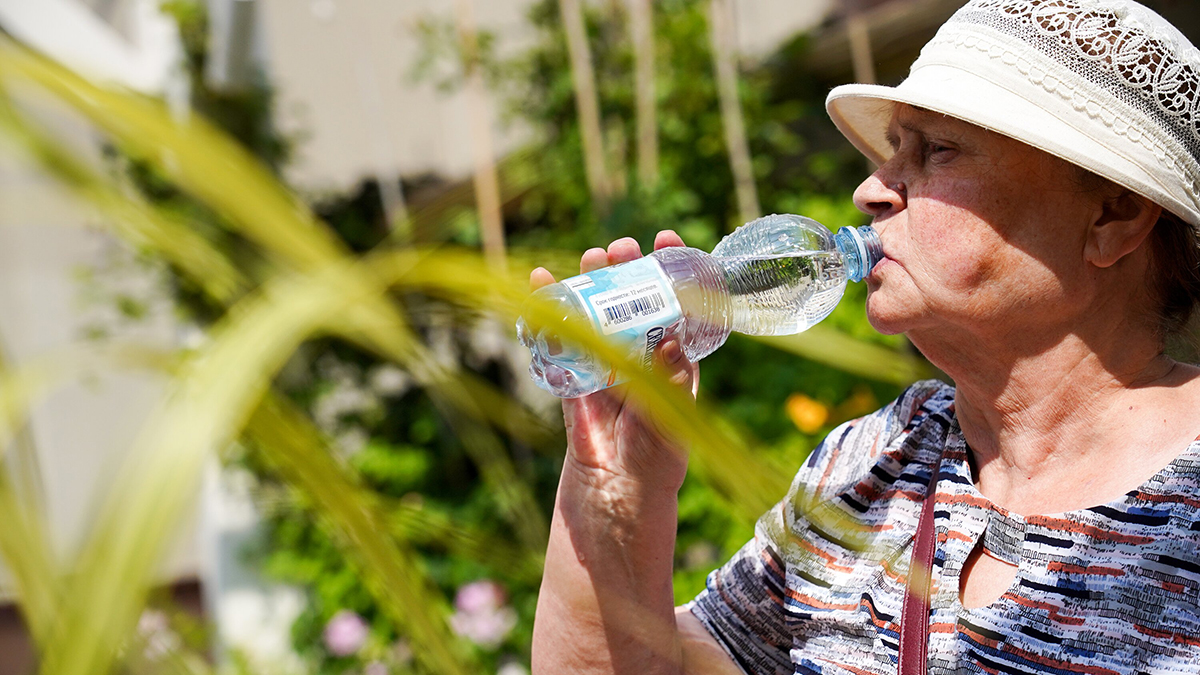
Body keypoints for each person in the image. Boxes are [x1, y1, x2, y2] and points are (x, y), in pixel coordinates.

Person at [529, 0, 1200, 672]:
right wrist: (615, 492)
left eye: (937, 150)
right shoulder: (874, 460)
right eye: (894, 149)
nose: (870, 191)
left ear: (1113, 215)